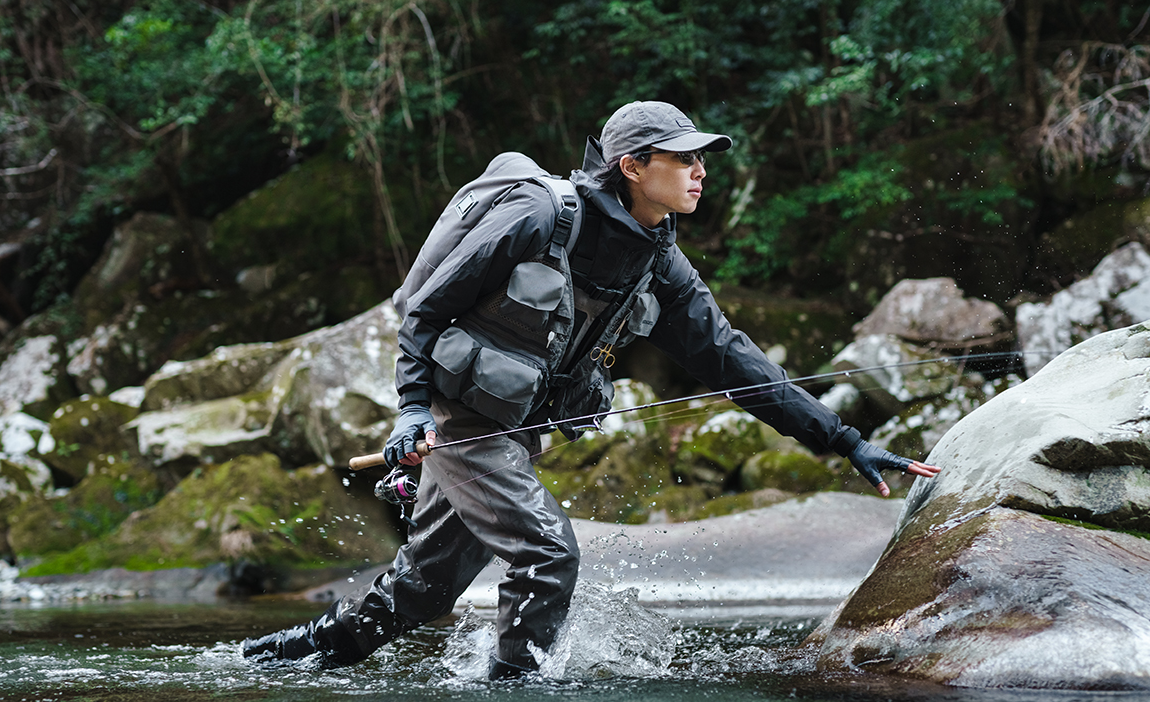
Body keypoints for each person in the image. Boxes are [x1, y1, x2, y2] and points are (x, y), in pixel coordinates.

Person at [241, 100, 941, 678]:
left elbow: (733, 360)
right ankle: (514, 687)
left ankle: (277, 659)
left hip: (514, 434)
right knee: (549, 555)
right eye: (683, 158)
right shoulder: (541, 216)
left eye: (702, 158)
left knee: (421, 593)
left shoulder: (660, 261)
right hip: (460, 422)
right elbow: (425, 306)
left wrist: (845, 441)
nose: (700, 171)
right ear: (632, 166)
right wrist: (413, 408)